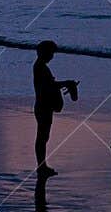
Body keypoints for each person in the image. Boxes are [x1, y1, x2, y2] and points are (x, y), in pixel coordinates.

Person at [31, 40, 78, 177]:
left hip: (42, 105)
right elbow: (48, 86)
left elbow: (49, 85)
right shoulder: (40, 67)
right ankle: (41, 166)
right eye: (51, 53)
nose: (52, 56)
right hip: (43, 106)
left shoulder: (40, 66)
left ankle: (42, 165)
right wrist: (67, 83)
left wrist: (64, 83)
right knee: (42, 137)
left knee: (43, 137)